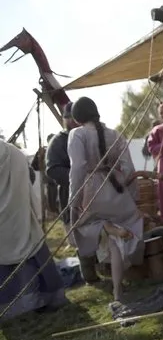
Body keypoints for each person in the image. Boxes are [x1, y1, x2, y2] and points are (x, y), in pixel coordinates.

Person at [67, 96, 145, 301]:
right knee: (114, 242)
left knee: (80, 224)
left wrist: (73, 200)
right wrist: (132, 197)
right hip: (116, 190)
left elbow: (78, 169)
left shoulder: (77, 134)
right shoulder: (114, 134)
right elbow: (128, 167)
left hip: (92, 192)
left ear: (77, 117)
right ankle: (117, 290)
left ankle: (107, 226)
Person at [0, 138, 67, 320]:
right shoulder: (13, 152)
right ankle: (43, 298)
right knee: (30, 251)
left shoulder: (12, 152)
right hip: (19, 216)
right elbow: (29, 179)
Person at [46, 102, 100, 283]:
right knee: (80, 236)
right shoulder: (57, 142)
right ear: (64, 119)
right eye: (67, 118)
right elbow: (52, 169)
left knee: (101, 230)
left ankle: (105, 266)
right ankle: (89, 275)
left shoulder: (91, 135)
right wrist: (78, 176)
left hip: (97, 193)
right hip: (73, 194)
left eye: (73, 117)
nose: (71, 121)